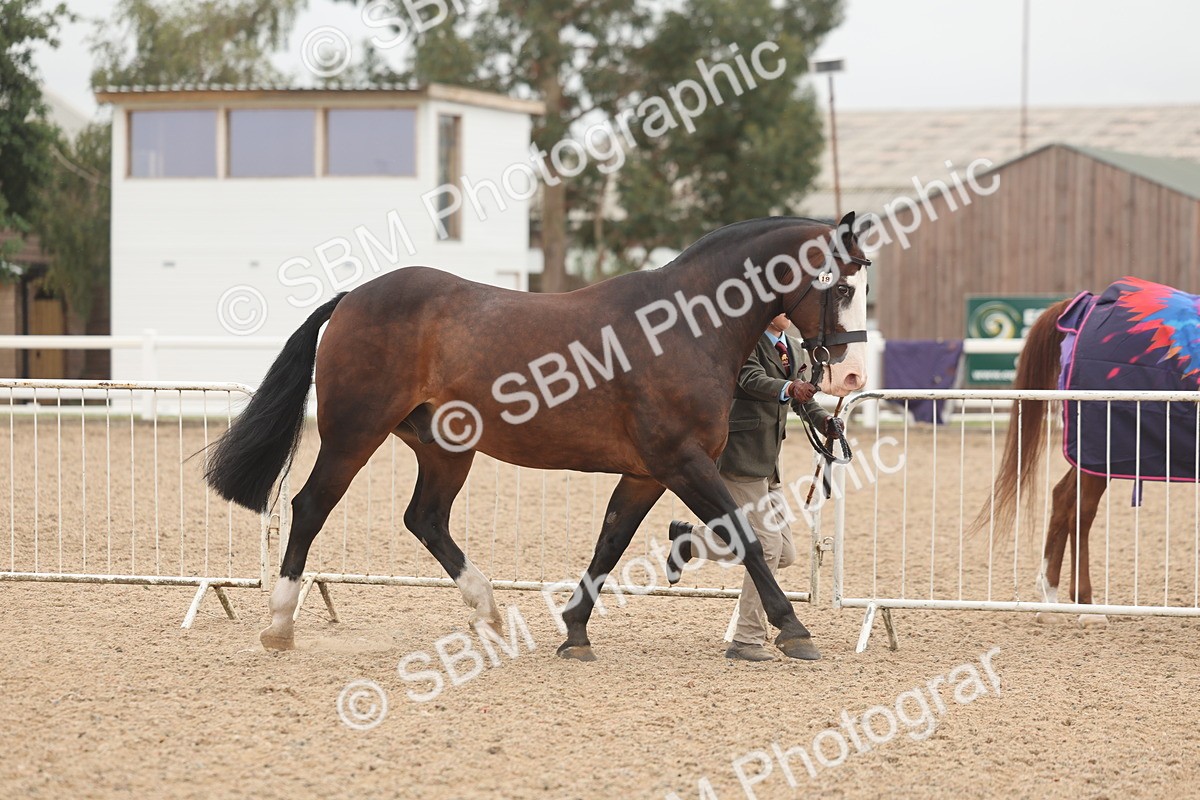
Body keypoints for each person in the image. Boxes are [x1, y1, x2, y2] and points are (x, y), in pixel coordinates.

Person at [666, 312, 843, 661]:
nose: (791, 314)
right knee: (766, 547)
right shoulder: (745, 342)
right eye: (784, 308)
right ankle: (747, 639)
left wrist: (826, 422)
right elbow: (749, 379)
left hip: (768, 463)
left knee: (785, 553)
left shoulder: (792, 347)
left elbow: (801, 401)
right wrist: (788, 387)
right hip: (739, 457)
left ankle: (690, 542)